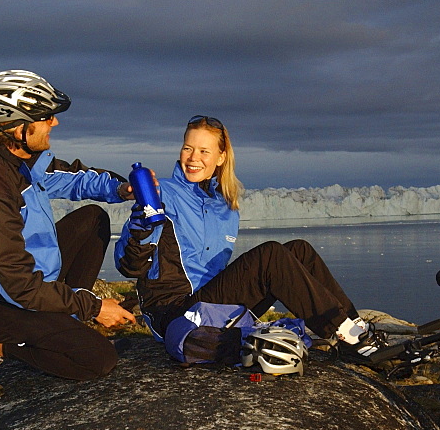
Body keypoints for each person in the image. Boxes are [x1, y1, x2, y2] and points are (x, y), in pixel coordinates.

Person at [114, 115, 386, 362]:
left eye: (204, 151)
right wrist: (140, 228)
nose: (193, 157)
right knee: (270, 256)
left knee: (299, 251)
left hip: (213, 305)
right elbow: (129, 266)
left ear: (220, 157)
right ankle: (346, 335)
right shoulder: (163, 193)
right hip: (178, 312)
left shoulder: (225, 206)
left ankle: (355, 328)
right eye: (188, 148)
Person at [0, 70, 135, 399]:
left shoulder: (23, 159)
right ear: (18, 128)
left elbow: (72, 178)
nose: (54, 123)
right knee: (98, 360)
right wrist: (94, 307)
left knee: (93, 221)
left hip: (19, 283)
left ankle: (63, 327)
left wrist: (122, 188)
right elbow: (17, 285)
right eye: (45, 117)